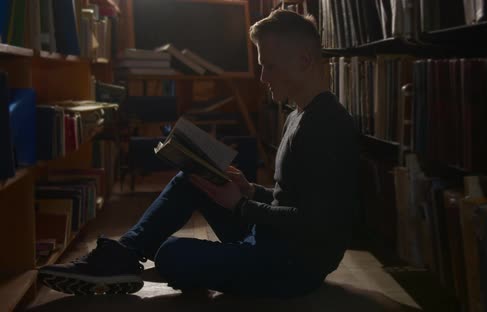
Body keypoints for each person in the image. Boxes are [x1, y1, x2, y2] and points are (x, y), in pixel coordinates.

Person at [38, 9, 360, 299]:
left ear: (304, 60)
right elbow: (289, 200)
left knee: (171, 254)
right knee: (193, 178)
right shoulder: (298, 114)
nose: (262, 78)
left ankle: (158, 263)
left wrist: (241, 204)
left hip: (295, 266)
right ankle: (121, 256)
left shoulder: (326, 126)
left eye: (269, 66)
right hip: (275, 240)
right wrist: (249, 189)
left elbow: (315, 225)